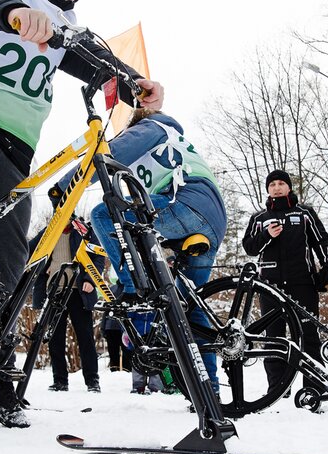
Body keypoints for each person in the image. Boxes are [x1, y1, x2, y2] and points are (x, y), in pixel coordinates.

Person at [0, 0, 163, 428]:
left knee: (13, 257)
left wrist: (135, 83)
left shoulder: (66, 26)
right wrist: (13, 12)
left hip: (14, 156)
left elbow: (98, 63)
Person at [60, 108, 226, 394]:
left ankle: (130, 287)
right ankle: (209, 389)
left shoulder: (155, 127)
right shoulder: (176, 143)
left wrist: (63, 188)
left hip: (186, 205)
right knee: (191, 311)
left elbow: (107, 157)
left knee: (103, 213)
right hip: (212, 218)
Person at [242, 169, 328, 392]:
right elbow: (249, 248)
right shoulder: (258, 218)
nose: (276, 187)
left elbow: (321, 241)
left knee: (308, 336)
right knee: (274, 338)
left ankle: (313, 387)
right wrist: (267, 235)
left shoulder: (305, 213)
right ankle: (277, 388)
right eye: (272, 184)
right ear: (267, 189)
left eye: (281, 184)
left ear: (289, 187)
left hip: (302, 283)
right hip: (270, 287)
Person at [30, 193, 104, 393]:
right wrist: (41, 268)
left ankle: (92, 381)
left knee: (86, 337)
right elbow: (29, 253)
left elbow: (97, 258)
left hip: (78, 291)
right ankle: (60, 381)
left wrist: (90, 280)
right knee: (55, 338)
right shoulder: (48, 234)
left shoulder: (84, 231)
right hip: (53, 292)